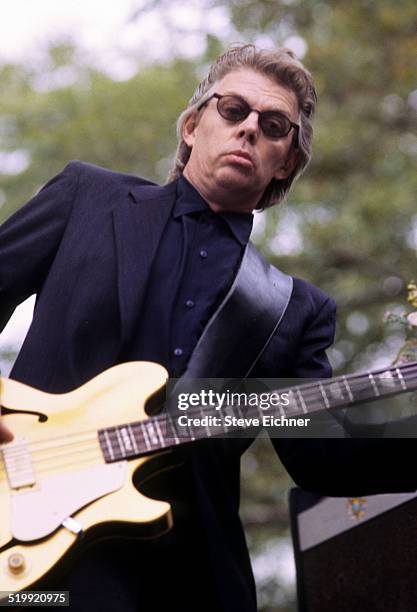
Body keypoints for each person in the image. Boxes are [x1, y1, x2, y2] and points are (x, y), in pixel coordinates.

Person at [0, 44, 415, 611]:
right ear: (193, 125)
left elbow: (324, 459)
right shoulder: (88, 198)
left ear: (286, 161)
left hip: (186, 579)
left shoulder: (293, 310)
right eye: (232, 110)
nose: (249, 129)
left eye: (273, 126)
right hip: (30, 548)